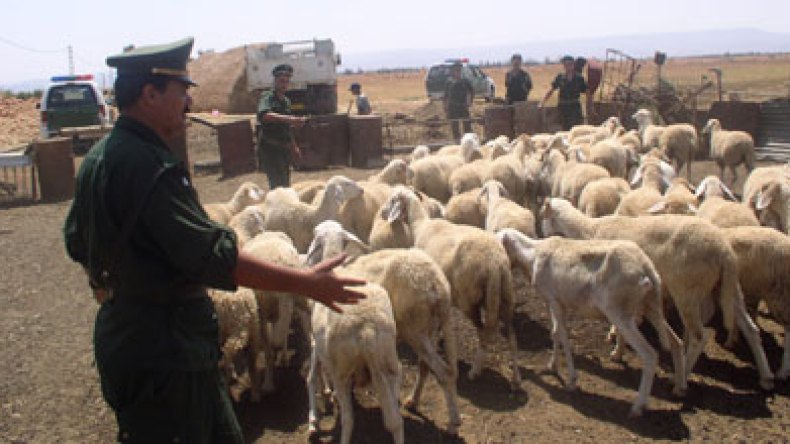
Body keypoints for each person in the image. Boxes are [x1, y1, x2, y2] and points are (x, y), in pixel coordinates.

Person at [63, 37, 365, 444]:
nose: (188, 104)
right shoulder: (152, 168)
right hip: (168, 350)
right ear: (150, 94)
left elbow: (75, 241)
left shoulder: (98, 158)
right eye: (181, 92)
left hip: (123, 334)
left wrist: (117, 282)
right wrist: (306, 283)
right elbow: (213, 257)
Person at [256, 63, 306, 189]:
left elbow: (287, 128)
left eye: (287, 81)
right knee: (277, 187)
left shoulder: (286, 101)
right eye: (281, 81)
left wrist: (294, 146)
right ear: (275, 81)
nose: (284, 84)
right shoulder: (267, 97)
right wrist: (290, 119)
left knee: (285, 184)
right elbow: (264, 115)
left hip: (284, 149)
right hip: (270, 148)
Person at [538, 55, 593, 130]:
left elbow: (588, 93)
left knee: (576, 129)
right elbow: (551, 90)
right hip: (563, 107)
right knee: (563, 129)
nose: (568, 67)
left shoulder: (579, 78)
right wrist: (542, 102)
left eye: (570, 64)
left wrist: (590, 107)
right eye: (566, 65)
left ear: (573, 65)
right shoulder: (560, 77)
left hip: (575, 108)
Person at [443, 62, 474, 142]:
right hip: (453, 107)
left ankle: (468, 141)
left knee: (467, 125)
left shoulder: (465, 81)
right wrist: (445, 108)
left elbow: (471, 91)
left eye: (459, 70)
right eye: (456, 70)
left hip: (463, 106)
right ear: (453, 71)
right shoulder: (449, 82)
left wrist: (470, 101)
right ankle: (457, 142)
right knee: (455, 126)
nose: (458, 72)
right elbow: (446, 96)